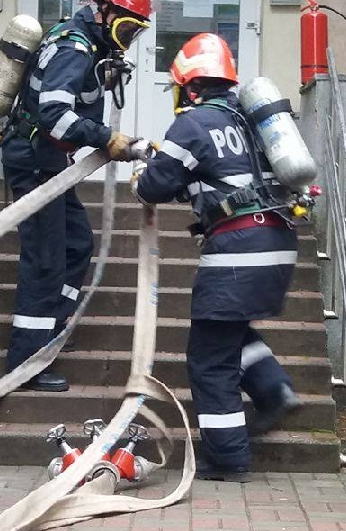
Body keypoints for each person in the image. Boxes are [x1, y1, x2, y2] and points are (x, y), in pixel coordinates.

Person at [129, 33, 302, 482]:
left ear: (190, 87)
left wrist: (141, 175)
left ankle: (228, 458)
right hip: (277, 240)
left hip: (238, 248)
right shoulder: (250, 119)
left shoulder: (192, 124)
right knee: (229, 330)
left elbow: (154, 186)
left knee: (209, 359)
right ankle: (274, 390)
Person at [0, 0, 158, 392]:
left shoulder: (88, 45)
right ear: (105, 12)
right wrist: (107, 138)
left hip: (49, 162)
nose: (128, 39)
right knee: (46, 258)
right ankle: (26, 364)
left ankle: (51, 331)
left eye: (135, 32)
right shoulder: (75, 47)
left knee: (76, 244)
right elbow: (55, 116)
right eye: (127, 27)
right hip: (35, 163)